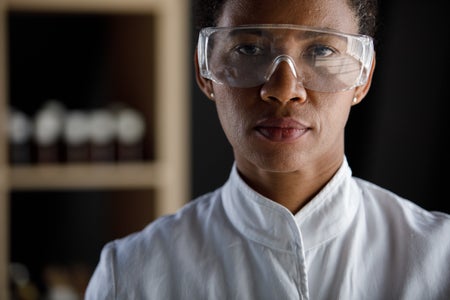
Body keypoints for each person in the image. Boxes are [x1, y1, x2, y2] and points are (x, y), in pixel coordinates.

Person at [85, 0, 450, 298]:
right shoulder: (132, 275)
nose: (284, 88)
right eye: (249, 48)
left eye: (321, 50)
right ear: (204, 68)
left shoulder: (439, 259)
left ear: (363, 77)